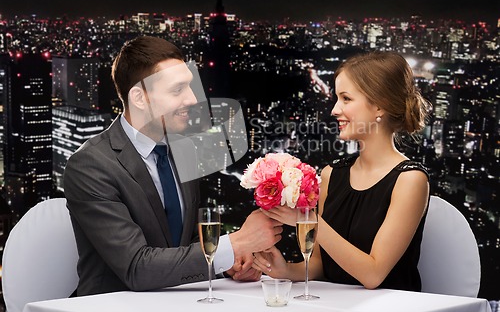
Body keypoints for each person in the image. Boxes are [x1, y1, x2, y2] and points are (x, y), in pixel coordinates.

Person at [63, 35, 282, 296]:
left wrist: (226, 265)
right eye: (177, 90)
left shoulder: (183, 149)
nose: (192, 99)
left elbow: (182, 243)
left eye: (190, 87)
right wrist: (237, 243)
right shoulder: (91, 165)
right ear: (139, 98)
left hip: (174, 308)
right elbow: (136, 268)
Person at [253, 51, 432, 291]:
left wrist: (308, 220)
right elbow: (318, 265)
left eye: (346, 99)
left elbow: (373, 275)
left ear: (380, 105)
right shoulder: (331, 174)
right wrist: (284, 269)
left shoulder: (410, 180)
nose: (335, 110)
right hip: (337, 309)